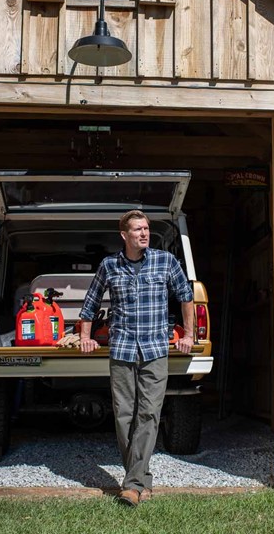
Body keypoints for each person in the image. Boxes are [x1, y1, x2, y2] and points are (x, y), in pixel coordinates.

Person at [79, 209, 194, 507]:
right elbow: (90, 302)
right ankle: (144, 479)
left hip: (155, 350)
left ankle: (131, 485)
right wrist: (85, 337)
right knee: (123, 415)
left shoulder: (166, 261)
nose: (144, 233)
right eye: (137, 230)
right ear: (124, 235)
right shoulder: (109, 266)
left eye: (146, 229)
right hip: (122, 350)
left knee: (149, 414)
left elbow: (185, 296)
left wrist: (188, 335)